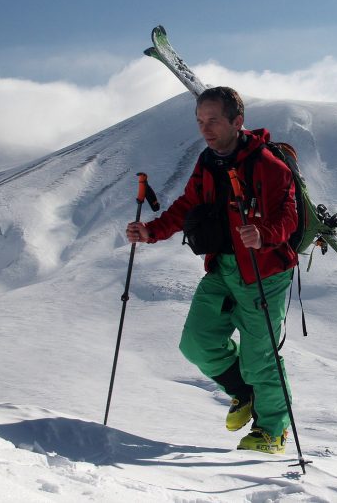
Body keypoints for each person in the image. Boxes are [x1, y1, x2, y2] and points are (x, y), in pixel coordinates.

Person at [126, 86, 298, 454]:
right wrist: (151, 231)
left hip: (264, 272)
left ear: (237, 122)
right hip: (223, 266)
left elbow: (288, 216)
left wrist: (263, 234)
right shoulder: (207, 161)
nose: (205, 129)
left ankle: (273, 431)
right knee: (197, 342)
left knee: (260, 356)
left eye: (213, 121)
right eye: (200, 121)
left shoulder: (268, 164)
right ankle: (244, 394)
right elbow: (189, 203)